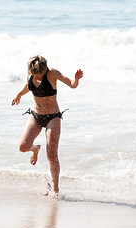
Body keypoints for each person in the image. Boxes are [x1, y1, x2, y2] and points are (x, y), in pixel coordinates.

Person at [12, 55, 83, 197]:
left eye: (40, 74)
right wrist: (19, 95)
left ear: (44, 69)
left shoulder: (52, 73)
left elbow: (72, 84)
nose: (37, 76)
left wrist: (76, 79)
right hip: (36, 116)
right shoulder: (30, 73)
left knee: (51, 154)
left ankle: (55, 188)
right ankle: (35, 149)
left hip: (53, 117)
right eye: (34, 74)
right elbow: (28, 86)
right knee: (23, 146)